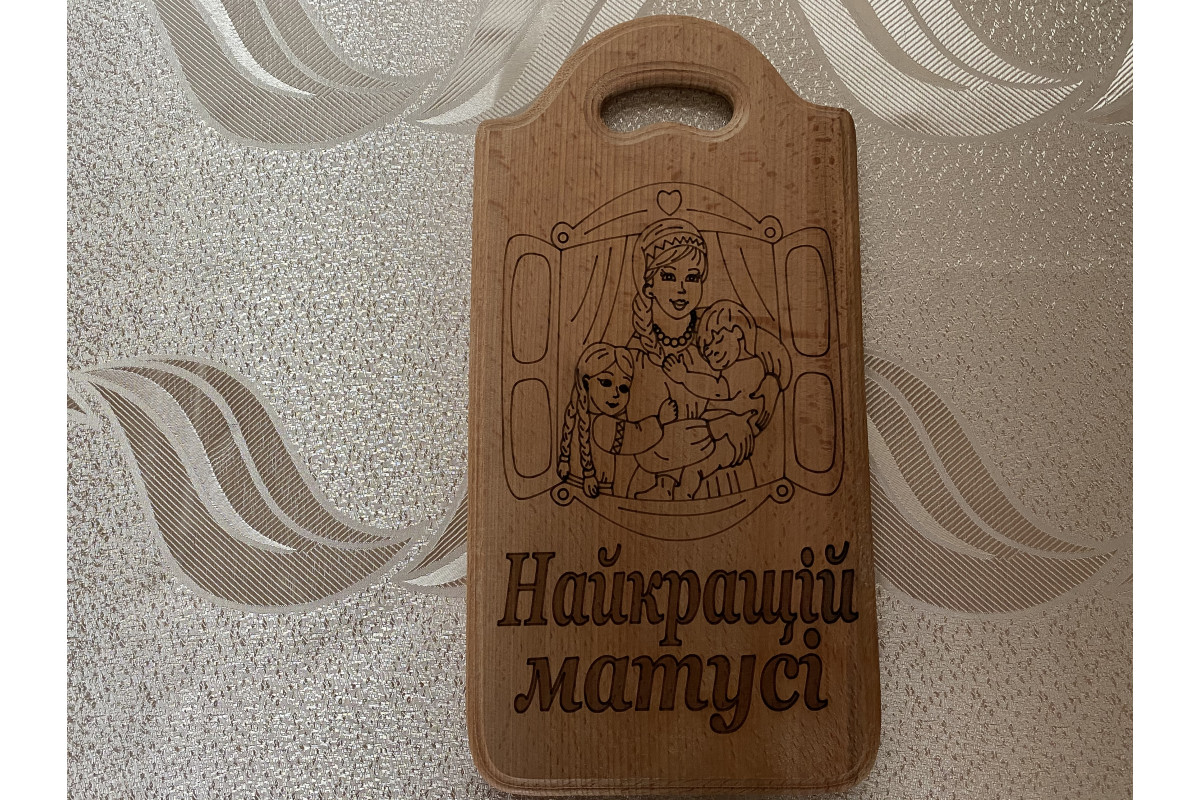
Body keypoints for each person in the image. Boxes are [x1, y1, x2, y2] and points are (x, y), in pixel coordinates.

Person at [623, 217, 790, 500]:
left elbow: (773, 354)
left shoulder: (713, 327)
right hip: (661, 476)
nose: (681, 289)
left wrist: (770, 387)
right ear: (648, 285)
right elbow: (644, 443)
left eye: (692, 278)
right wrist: (720, 426)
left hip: (722, 480)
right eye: (668, 276)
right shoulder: (636, 353)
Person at [661, 301, 768, 499]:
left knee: (694, 468)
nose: (710, 352)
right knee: (683, 456)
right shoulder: (732, 368)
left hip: (730, 439)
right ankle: (667, 487)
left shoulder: (750, 365)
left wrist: (684, 377)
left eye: (715, 341)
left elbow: (719, 390)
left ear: (737, 332)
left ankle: (684, 495)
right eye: (706, 350)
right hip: (718, 432)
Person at [556, 342, 682, 498]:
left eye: (623, 388)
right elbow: (635, 439)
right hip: (595, 492)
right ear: (587, 383)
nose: (616, 393)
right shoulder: (601, 424)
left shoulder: (579, 415)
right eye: (606, 383)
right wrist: (660, 420)